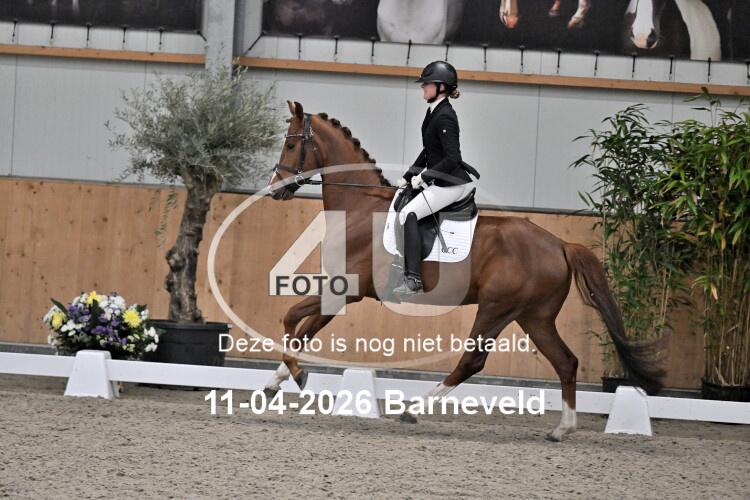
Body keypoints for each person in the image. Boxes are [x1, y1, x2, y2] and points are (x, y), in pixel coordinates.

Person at [392, 60, 480, 299]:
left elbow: (453, 158)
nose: (423, 87)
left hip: (451, 184)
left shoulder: (446, 116)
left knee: (408, 214)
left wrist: (425, 176)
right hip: (441, 180)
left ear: (441, 87)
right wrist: (409, 175)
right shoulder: (434, 111)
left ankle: (412, 279)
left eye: (427, 84)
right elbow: (429, 151)